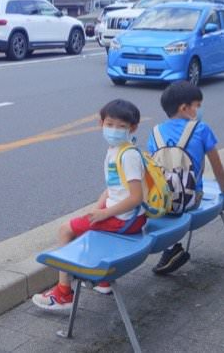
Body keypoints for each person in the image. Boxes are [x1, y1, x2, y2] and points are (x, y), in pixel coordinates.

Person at [31, 98, 147, 311]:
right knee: (86, 225)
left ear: (133, 128)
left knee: (65, 230)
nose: (114, 130)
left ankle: (63, 293)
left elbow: (135, 197)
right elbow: (113, 187)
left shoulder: (127, 155)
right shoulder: (118, 148)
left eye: (121, 126)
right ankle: (103, 282)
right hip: (125, 216)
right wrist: (99, 206)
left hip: (124, 220)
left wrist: (104, 214)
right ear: (101, 123)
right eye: (110, 124)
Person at [147, 80, 224, 275]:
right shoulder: (201, 129)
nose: (199, 110)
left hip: (161, 201)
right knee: (190, 199)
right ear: (184, 108)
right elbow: (217, 166)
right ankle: (172, 250)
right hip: (191, 199)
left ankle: (172, 249)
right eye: (197, 105)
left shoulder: (155, 132)